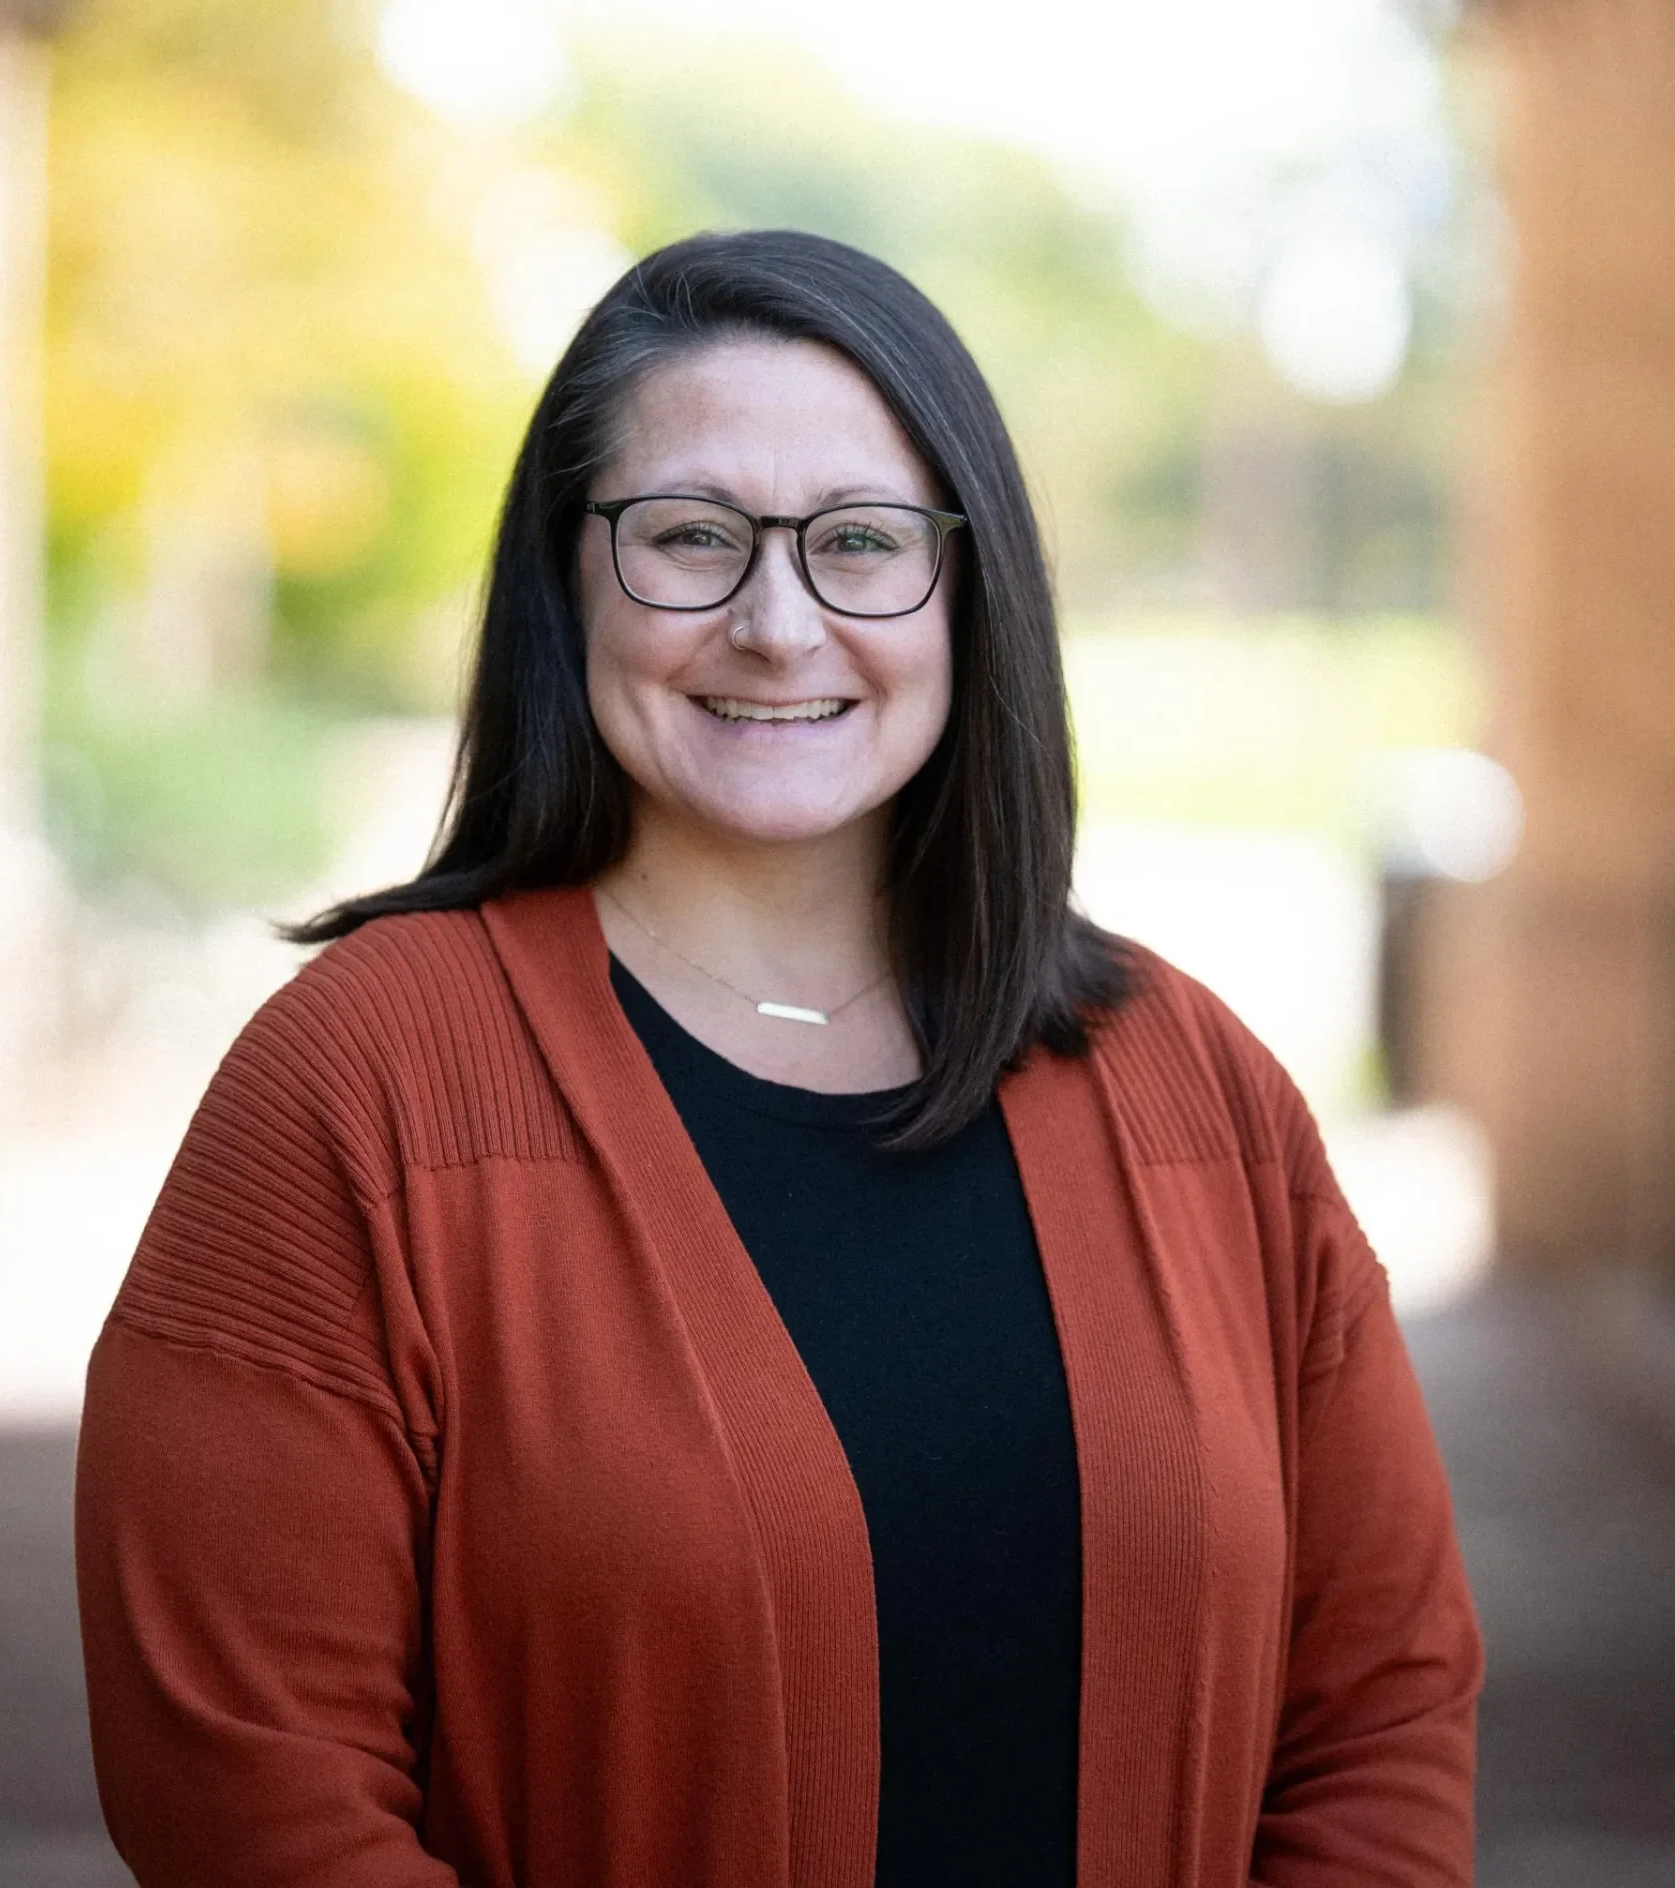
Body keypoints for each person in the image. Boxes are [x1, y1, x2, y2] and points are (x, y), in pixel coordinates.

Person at [74, 229, 1482, 1888]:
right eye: (690, 536)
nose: (776, 620)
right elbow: (250, 1786)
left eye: (864, 543)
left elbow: (1383, 1712)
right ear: (566, 574)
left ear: (971, 587)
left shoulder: (1195, 1092)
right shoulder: (363, 1087)